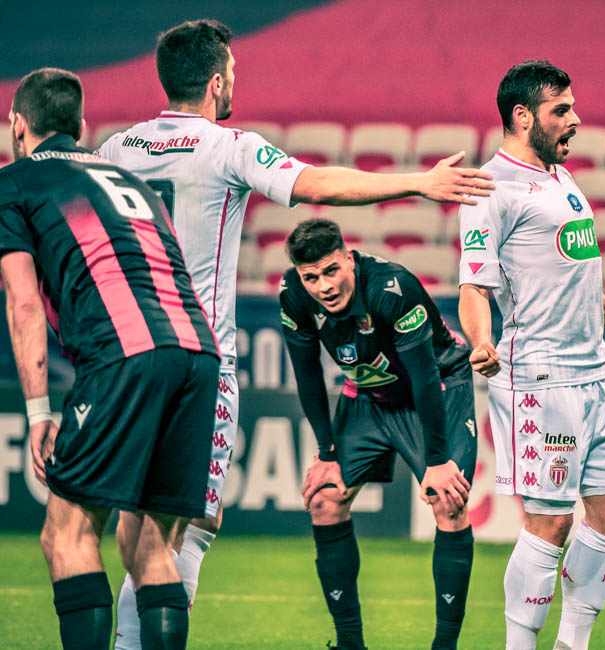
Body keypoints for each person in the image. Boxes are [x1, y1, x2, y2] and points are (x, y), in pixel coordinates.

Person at [96, 19, 494, 648]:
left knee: (135, 521)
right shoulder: (229, 147)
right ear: (216, 81)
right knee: (190, 525)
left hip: (125, 359)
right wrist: (416, 182)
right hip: (196, 362)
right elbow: (316, 184)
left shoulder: (115, 150)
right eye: (233, 72)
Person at [1, 67, 220, 649]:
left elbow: (23, 302)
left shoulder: (14, 183)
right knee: (149, 544)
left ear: (18, 125)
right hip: (197, 353)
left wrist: (39, 412)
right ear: (80, 125)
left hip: (126, 353)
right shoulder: (129, 179)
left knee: (67, 534)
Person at [457, 60, 605, 650]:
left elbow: (571, 270)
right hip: (539, 376)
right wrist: (481, 341)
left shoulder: (560, 177)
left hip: (596, 371)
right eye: (561, 110)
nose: (576, 119)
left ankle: (573, 644)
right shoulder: (491, 189)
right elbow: (474, 287)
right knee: (550, 522)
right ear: (522, 116)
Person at [280, 218, 477, 650]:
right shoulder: (292, 294)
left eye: (331, 271)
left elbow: (425, 376)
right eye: (311, 277)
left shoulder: (393, 287)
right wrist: (326, 452)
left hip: (437, 388)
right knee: (324, 498)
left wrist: (437, 461)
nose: (323, 286)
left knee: (449, 501)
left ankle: (444, 647)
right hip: (367, 395)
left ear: (348, 259)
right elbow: (307, 374)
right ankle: (349, 643)